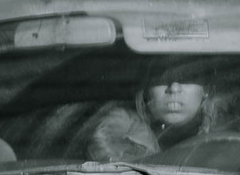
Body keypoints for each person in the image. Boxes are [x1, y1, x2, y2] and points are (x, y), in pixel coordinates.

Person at [87, 57, 220, 162]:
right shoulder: (114, 133)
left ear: (206, 90)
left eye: (187, 77)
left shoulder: (226, 129)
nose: (174, 88)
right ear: (146, 91)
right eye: (162, 78)